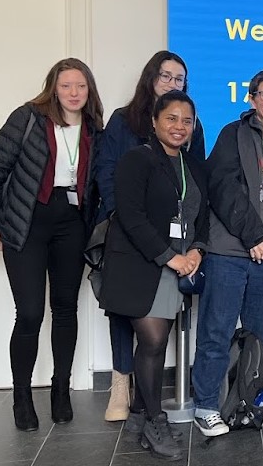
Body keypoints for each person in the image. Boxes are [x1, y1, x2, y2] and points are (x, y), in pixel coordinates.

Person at [0, 58, 104, 431]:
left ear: (89, 89)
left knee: (65, 309)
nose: (74, 93)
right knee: (29, 313)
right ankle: (21, 395)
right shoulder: (27, 117)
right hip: (27, 221)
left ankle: (60, 389)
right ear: (53, 87)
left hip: (71, 222)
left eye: (81, 86)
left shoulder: (95, 126)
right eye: (66, 86)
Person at [191, 70, 263, 436]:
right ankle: (207, 406)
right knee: (217, 330)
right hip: (230, 252)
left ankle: (248, 401)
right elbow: (223, 187)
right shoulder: (233, 134)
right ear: (252, 98)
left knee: (259, 335)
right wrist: (254, 236)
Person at [94, 50, 205, 423]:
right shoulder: (126, 124)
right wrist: (120, 217)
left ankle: (146, 402)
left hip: (175, 247)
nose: (172, 83)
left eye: (179, 79)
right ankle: (123, 387)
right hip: (131, 239)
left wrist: (193, 249)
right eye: (166, 76)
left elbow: (195, 192)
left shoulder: (190, 136)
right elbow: (109, 175)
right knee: (130, 318)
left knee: (155, 333)